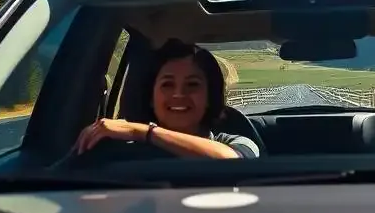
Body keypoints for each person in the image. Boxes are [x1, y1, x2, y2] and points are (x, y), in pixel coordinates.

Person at [73, 39, 261, 160]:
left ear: (210, 97)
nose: (178, 94)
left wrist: (144, 132)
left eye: (193, 85)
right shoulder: (123, 153)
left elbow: (229, 162)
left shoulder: (239, 142)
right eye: (167, 85)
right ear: (151, 97)